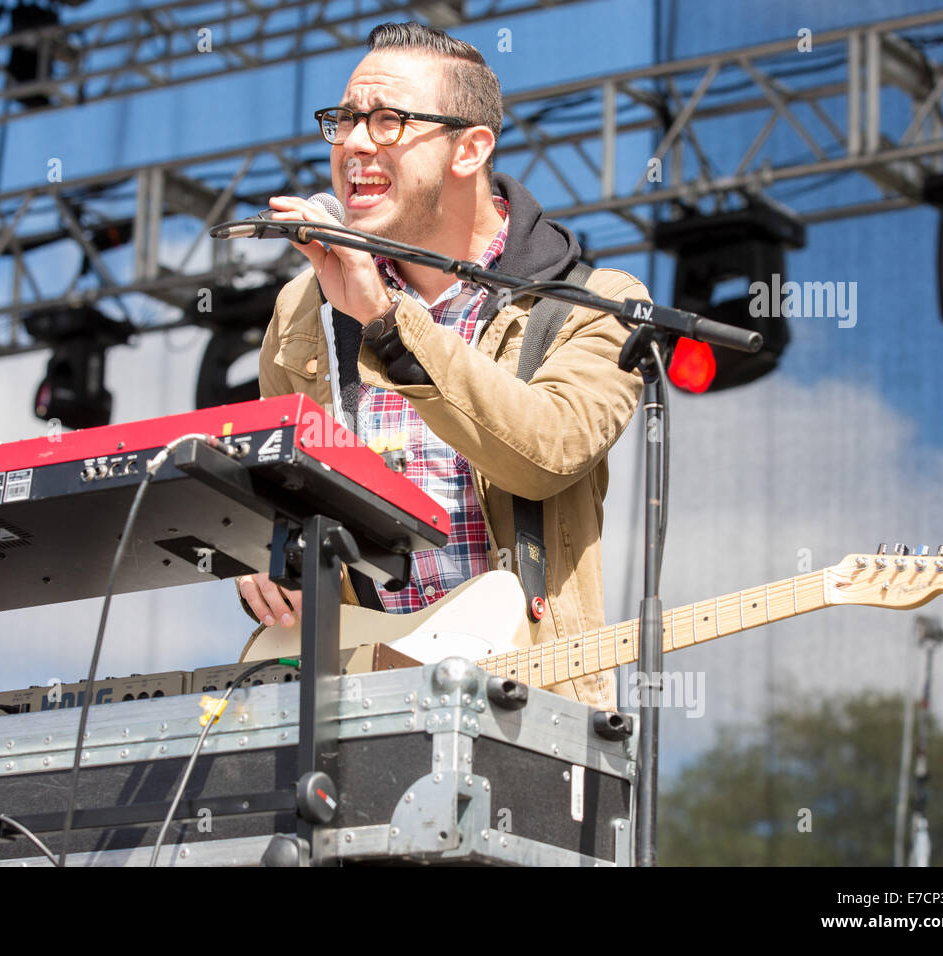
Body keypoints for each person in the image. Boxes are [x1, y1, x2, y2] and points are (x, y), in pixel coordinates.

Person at [236, 21, 646, 709]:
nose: (354, 143)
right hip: (356, 708)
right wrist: (264, 559)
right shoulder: (302, 307)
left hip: (531, 714)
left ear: (470, 148)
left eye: (388, 120)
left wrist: (388, 326)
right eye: (343, 120)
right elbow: (275, 489)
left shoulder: (599, 304)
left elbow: (543, 453)